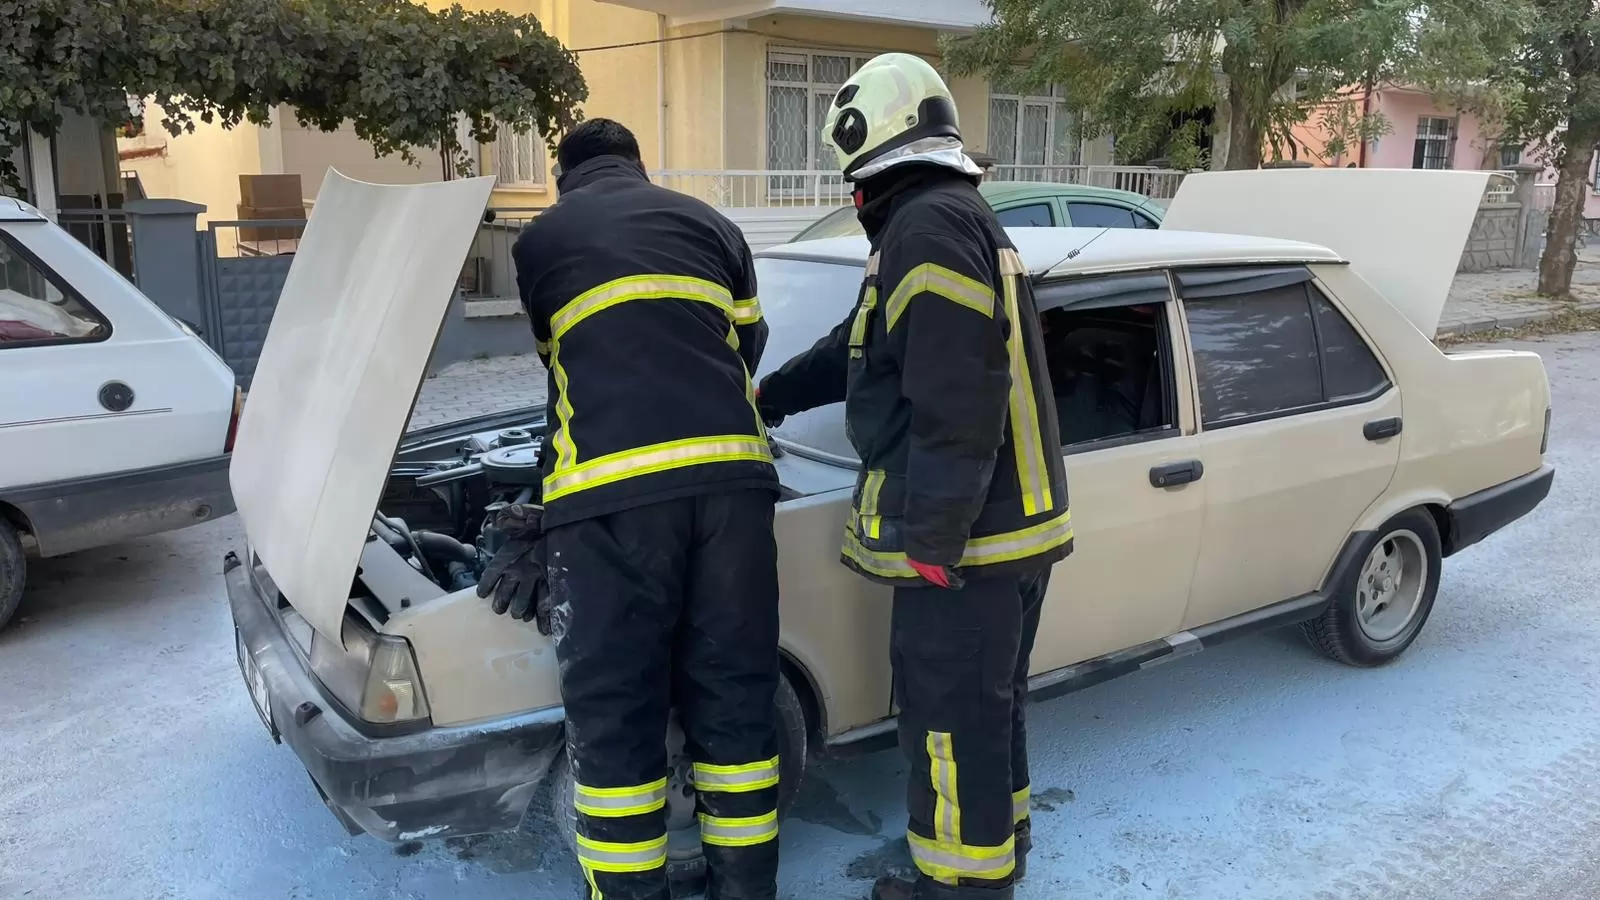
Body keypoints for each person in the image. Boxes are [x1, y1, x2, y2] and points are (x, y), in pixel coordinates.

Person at [754, 54, 1072, 900]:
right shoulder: (944, 219)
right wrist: (769, 394)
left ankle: (961, 886)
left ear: (875, 158)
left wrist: (933, 538)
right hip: (1002, 531)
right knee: (987, 708)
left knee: (948, 718)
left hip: (969, 543)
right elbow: (862, 349)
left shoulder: (927, 230)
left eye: (854, 180)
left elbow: (957, 395)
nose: (853, 196)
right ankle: (999, 848)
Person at [479, 118, 782, 900]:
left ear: (562, 178)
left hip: (611, 502)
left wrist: (542, 509)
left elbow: (566, 371)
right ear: (638, 167)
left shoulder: (540, 242)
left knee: (617, 724)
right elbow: (748, 346)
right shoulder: (714, 225)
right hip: (735, 493)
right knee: (737, 712)